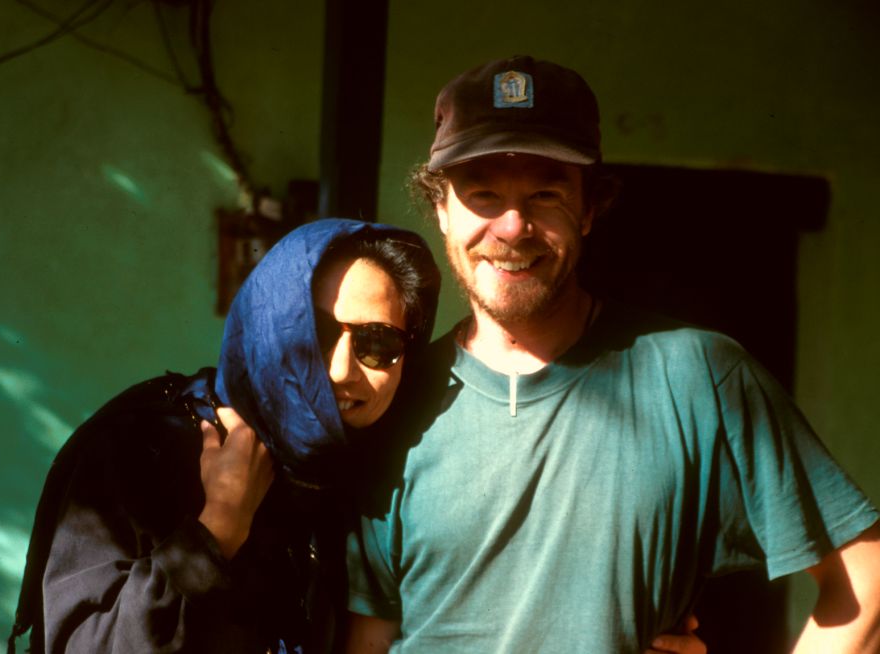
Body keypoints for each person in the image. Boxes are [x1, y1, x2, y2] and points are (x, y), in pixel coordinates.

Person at [344, 56, 880, 653]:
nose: (513, 226)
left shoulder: (697, 377)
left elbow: (866, 576)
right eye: (484, 194)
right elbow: (367, 636)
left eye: (546, 193)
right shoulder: (394, 397)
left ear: (592, 207)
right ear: (441, 208)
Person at [8, 218, 442, 653]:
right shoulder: (145, 443)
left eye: (377, 343)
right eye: (316, 333)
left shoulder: (372, 478)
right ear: (271, 326)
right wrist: (217, 528)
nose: (341, 370)